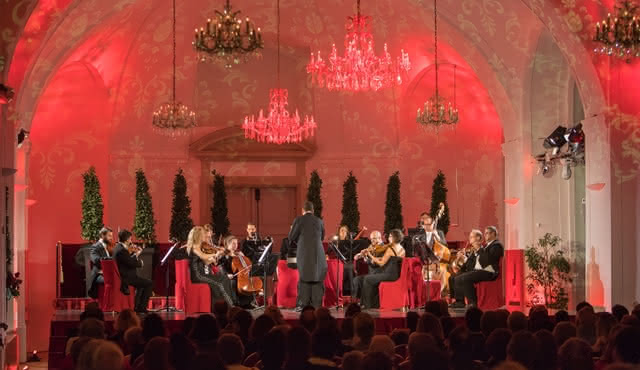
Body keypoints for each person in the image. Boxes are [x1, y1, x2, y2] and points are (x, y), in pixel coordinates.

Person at [451, 226, 504, 309]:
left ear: (493, 234)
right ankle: (460, 302)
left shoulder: (497, 245)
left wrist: (478, 249)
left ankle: (473, 303)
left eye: (487, 233)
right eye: (485, 233)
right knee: (456, 277)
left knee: (465, 278)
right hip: (481, 270)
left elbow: (487, 262)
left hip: (490, 272)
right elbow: (474, 263)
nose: (485, 235)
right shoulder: (486, 246)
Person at [352, 229, 405, 309]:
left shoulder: (389, 249)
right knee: (359, 279)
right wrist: (363, 255)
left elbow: (381, 262)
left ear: (395, 238)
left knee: (367, 279)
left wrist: (369, 255)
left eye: (390, 236)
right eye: (372, 239)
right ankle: (362, 302)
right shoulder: (400, 248)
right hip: (392, 273)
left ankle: (368, 305)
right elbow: (383, 259)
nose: (388, 238)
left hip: (387, 273)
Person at [289, 201, 327, 310]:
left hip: (304, 254)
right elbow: (322, 237)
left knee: (304, 278)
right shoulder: (319, 221)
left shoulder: (299, 220)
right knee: (317, 277)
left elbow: (291, 237)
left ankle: (303, 305)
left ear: (303, 210)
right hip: (318, 255)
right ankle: (317, 305)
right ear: (313, 210)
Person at [186, 226, 235, 308]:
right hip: (198, 275)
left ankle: (228, 305)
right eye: (203, 234)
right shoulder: (194, 247)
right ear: (198, 235)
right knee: (219, 283)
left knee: (225, 278)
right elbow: (203, 256)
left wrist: (214, 259)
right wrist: (215, 254)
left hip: (203, 275)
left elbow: (205, 261)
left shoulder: (201, 246)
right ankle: (228, 306)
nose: (205, 236)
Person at [113, 229, 153, 313]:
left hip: (124, 275)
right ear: (127, 239)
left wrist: (134, 254)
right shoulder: (121, 250)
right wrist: (138, 258)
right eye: (130, 239)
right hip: (126, 278)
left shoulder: (117, 247)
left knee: (141, 285)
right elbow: (131, 263)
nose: (131, 241)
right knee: (149, 283)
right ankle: (141, 308)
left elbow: (128, 260)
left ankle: (137, 307)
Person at [217, 235, 256, 308]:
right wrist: (226, 274)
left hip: (240, 275)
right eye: (233, 243)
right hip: (230, 276)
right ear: (227, 244)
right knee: (234, 282)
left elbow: (246, 266)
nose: (236, 245)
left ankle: (248, 303)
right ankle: (236, 303)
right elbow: (220, 267)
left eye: (236, 243)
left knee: (249, 281)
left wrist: (243, 257)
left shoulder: (238, 254)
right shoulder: (224, 255)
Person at [448, 230, 483, 302]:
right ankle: (456, 300)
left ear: (478, 238)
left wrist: (465, 258)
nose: (469, 238)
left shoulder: (481, 250)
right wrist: (459, 260)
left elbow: (475, 265)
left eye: (471, 237)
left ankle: (460, 301)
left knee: (458, 276)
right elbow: (467, 264)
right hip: (469, 270)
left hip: (476, 271)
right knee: (451, 277)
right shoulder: (472, 250)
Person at [88, 227, 113, 298]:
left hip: (108, 273)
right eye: (109, 236)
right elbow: (96, 260)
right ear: (102, 235)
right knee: (112, 281)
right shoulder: (95, 247)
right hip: (98, 275)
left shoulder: (109, 246)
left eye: (112, 236)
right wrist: (111, 259)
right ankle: (107, 304)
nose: (111, 238)